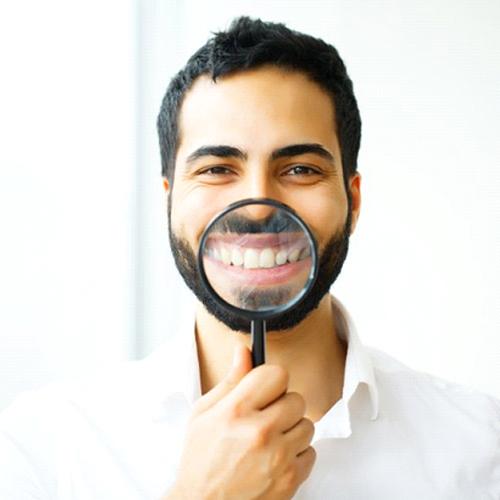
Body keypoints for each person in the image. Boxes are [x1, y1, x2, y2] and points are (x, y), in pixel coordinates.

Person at [1, 16, 499, 500]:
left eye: (301, 169)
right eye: (218, 169)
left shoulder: (482, 449)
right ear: (169, 199)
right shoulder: (46, 449)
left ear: (354, 201)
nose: (260, 206)